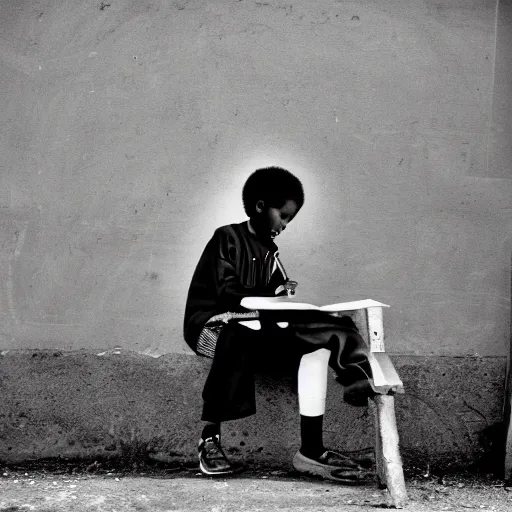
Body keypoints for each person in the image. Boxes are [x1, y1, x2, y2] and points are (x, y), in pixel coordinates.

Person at [183, 167, 375, 484]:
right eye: (282, 217)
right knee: (239, 331)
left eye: (289, 220)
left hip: (255, 324)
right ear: (260, 207)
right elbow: (228, 295)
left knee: (320, 340)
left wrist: (283, 293)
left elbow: (274, 295)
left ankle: (312, 449)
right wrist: (270, 294)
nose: (284, 225)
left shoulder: (271, 251)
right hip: (213, 325)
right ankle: (209, 438)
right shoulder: (226, 237)